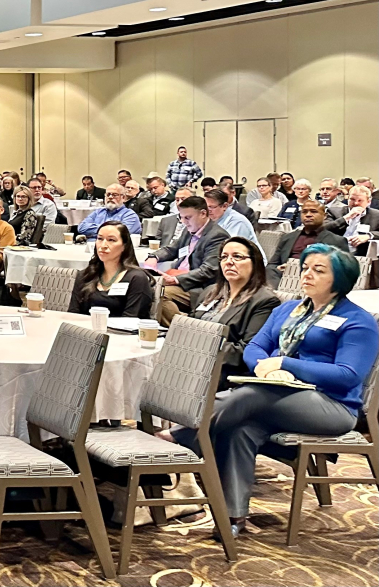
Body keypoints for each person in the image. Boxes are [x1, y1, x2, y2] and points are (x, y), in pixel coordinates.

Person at [171, 244, 377, 539]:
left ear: (341, 279)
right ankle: (234, 514)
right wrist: (264, 368)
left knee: (254, 395)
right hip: (278, 394)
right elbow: (255, 348)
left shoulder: (358, 321)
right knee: (241, 427)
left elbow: (348, 375)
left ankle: (178, 437)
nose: (307, 274)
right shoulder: (287, 309)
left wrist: (285, 363)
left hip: (333, 406)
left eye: (319, 271)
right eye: (306, 267)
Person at [189, 237, 281, 387]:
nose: (229, 262)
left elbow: (246, 350)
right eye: (224, 257)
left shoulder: (264, 301)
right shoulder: (210, 292)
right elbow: (190, 324)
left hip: (224, 373)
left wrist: (201, 346)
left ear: (255, 263)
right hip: (191, 362)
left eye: (237, 257)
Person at [144, 196, 231, 326]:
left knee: (159, 294)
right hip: (178, 277)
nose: (184, 222)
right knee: (142, 287)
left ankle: (185, 328)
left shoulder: (217, 236)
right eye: (182, 218)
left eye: (188, 218)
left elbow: (208, 270)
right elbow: (172, 249)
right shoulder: (189, 230)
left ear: (203, 213)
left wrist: (177, 279)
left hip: (199, 286)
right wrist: (154, 257)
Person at [68, 222, 153, 318]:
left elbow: (131, 320)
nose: (103, 245)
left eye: (111, 240)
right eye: (100, 239)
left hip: (121, 332)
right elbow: (73, 314)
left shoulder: (136, 278)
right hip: (85, 331)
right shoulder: (85, 275)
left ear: (124, 246)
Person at [267, 199, 350, 286]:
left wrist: (296, 269)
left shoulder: (337, 241)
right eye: (304, 212)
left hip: (315, 283)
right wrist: (279, 270)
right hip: (282, 280)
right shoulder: (288, 237)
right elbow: (272, 265)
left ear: (324, 216)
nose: (308, 215)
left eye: (313, 212)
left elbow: (343, 272)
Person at [323, 185, 379, 255]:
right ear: (348, 199)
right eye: (352, 199)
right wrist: (346, 217)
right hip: (335, 252)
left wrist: (369, 235)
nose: (356, 203)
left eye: (360, 200)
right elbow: (324, 229)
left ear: (368, 201)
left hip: (362, 253)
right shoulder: (334, 211)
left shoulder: (376, 215)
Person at [75, 183, 143, 239]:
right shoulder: (98, 212)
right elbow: (81, 227)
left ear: (123, 198)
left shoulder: (130, 215)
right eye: (108, 194)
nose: (110, 197)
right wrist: (109, 229)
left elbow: (120, 234)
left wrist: (93, 231)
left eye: (115, 195)